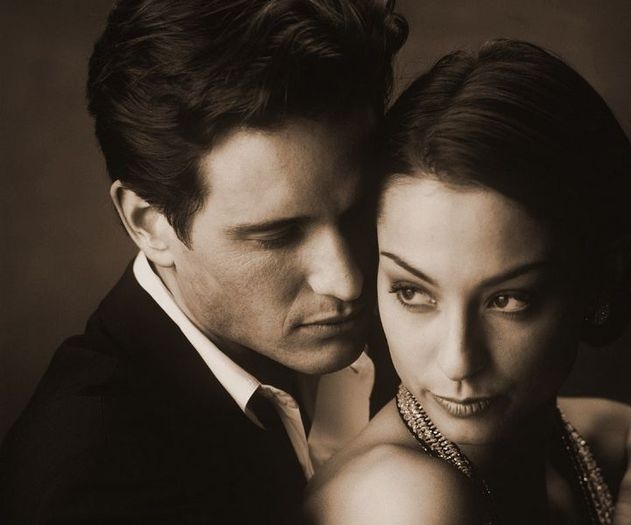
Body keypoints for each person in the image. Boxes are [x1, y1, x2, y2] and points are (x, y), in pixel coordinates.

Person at [0, 1, 407, 523]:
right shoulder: (93, 487)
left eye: (361, 212)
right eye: (277, 235)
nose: (347, 281)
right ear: (149, 224)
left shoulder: (430, 325)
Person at [305, 39, 631, 524]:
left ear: (604, 275)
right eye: (412, 292)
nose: (458, 361)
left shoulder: (621, 449)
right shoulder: (401, 503)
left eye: (508, 299)